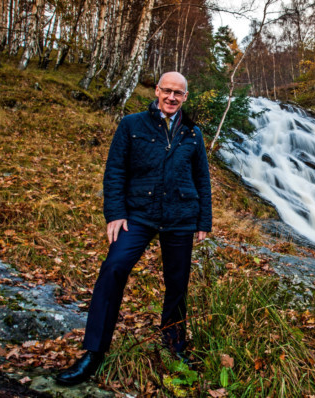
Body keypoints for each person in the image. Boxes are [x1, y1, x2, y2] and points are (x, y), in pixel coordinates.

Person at [56, 71, 212, 386]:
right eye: (166, 91)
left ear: (185, 97)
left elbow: (202, 178)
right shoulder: (131, 125)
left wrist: (203, 220)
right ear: (156, 91)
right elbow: (115, 170)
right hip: (139, 213)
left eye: (178, 93)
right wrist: (115, 212)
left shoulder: (192, 133)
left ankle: (173, 344)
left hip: (181, 215)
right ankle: (94, 353)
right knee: (113, 269)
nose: (171, 97)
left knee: (177, 283)